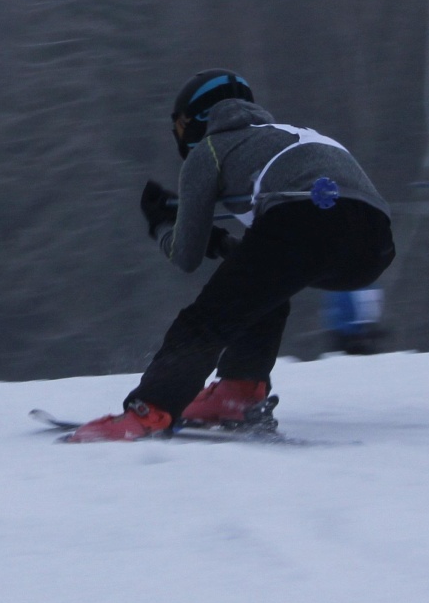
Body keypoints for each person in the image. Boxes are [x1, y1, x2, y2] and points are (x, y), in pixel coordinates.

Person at [69, 70, 395, 442]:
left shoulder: (210, 149)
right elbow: (270, 253)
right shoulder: (293, 135)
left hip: (303, 221)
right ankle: (237, 393)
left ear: (198, 117)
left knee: (206, 320)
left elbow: (185, 255)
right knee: (261, 290)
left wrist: (160, 224)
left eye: (180, 125)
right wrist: (218, 239)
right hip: (374, 244)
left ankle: (149, 411)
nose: (180, 136)